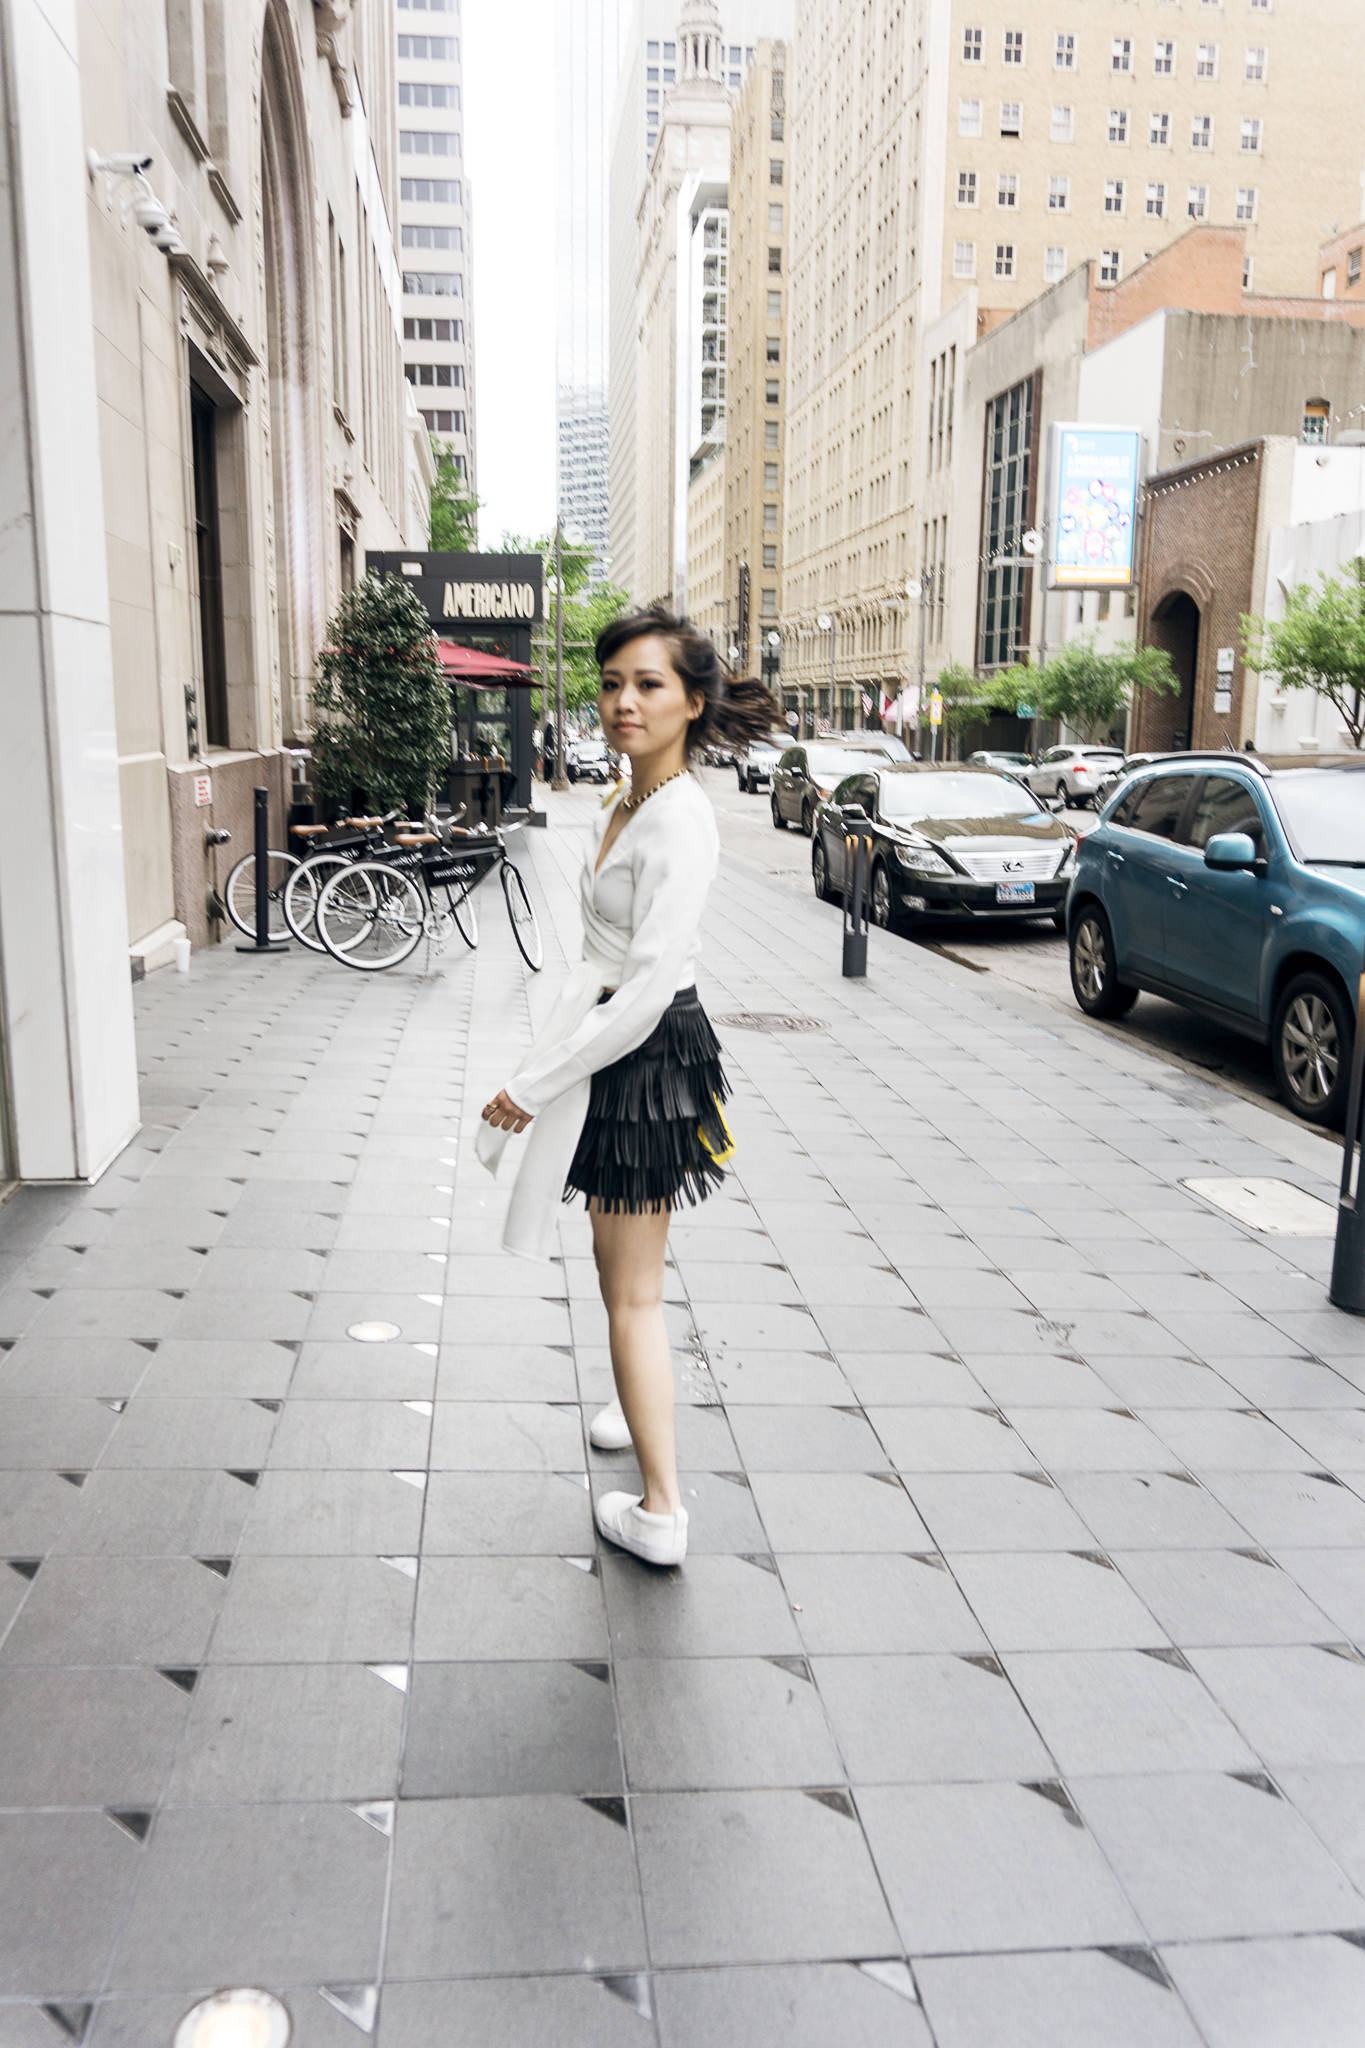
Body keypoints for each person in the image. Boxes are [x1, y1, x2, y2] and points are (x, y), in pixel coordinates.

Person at [476, 605, 780, 1567]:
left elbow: (647, 990)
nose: (621, 702)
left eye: (647, 685)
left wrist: (531, 1085)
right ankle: (630, 1398)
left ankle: (661, 1512)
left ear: (692, 702)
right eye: (610, 683)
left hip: (640, 1056)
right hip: (609, 1042)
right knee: (621, 1279)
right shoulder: (629, 798)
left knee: (633, 1293)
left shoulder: (682, 818)